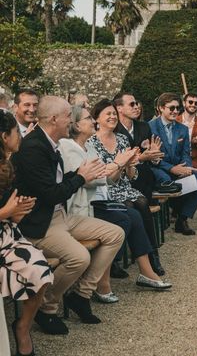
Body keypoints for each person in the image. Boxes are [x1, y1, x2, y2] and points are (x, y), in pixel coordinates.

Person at [11, 96, 124, 335]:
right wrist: (81, 177)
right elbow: (50, 194)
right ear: (54, 119)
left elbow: (56, 184)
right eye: (67, 117)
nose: (70, 121)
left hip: (60, 216)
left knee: (114, 233)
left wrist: (80, 174)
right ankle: (46, 307)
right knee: (79, 257)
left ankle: (81, 295)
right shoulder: (33, 148)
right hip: (39, 223)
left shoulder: (50, 142)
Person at [89, 99, 168, 280]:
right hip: (106, 189)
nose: (112, 117)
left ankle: (152, 255)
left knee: (141, 201)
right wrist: (120, 164)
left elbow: (131, 177)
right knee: (130, 206)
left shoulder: (123, 139)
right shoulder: (91, 142)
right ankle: (114, 259)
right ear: (97, 119)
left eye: (113, 114)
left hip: (125, 186)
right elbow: (109, 179)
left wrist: (131, 164)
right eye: (107, 114)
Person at [0, 111, 53, 356]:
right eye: (16, 132)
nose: (21, 136)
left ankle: (22, 327)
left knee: (41, 271)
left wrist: (16, 212)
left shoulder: (9, 164)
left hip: (7, 234)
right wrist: (7, 211)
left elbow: (12, 212)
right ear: (4, 136)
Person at [149, 93, 197, 235]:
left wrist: (186, 168)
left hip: (179, 168)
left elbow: (185, 153)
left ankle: (182, 219)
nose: (175, 111)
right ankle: (173, 210)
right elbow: (152, 157)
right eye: (171, 108)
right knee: (168, 182)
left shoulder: (182, 129)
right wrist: (172, 169)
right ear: (160, 108)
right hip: (159, 169)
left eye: (177, 108)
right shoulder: (150, 127)